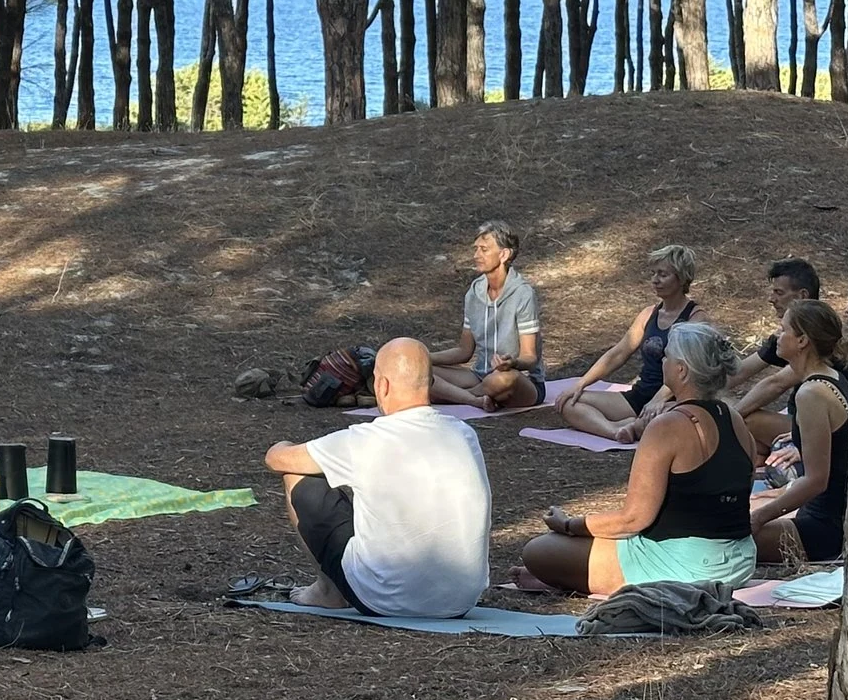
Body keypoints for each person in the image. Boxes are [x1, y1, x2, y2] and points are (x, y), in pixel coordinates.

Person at [519, 322, 761, 595]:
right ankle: (570, 575)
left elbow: (634, 520)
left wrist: (569, 525)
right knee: (567, 552)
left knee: (539, 550)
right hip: (740, 561)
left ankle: (570, 575)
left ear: (681, 370)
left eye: (667, 356)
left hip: (690, 565)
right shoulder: (736, 420)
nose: (662, 360)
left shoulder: (667, 426)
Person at [263, 338, 492, 617]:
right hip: (460, 601)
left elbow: (277, 460)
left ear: (381, 386)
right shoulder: (465, 434)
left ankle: (328, 592)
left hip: (381, 598)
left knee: (298, 477)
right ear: (431, 383)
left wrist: (281, 443)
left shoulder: (365, 440)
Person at [552, 246, 701, 443]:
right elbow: (619, 353)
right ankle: (615, 431)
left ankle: (635, 427)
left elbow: (692, 368)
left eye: (663, 274)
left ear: (681, 279)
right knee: (569, 402)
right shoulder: (649, 314)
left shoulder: (696, 318)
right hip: (640, 396)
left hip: (673, 400)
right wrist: (580, 384)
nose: (655, 280)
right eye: (653, 273)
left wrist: (659, 399)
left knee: (664, 422)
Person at [749, 300, 848, 568]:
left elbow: (817, 480)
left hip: (822, 529)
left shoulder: (812, 394)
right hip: (825, 514)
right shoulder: (829, 377)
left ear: (802, 341)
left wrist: (760, 518)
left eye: (783, 330)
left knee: (721, 537)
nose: (777, 336)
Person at [430, 220, 543, 411]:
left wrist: (513, 363)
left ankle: (457, 396)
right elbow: (464, 352)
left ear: (504, 254)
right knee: (422, 372)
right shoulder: (474, 293)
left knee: (501, 380)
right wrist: (425, 357)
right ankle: (472, 397)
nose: (476, 256)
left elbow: (530, 357)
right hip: (480, 376)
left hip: (518, 379)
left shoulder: (523, 294)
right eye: (476, 249)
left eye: (484, 249)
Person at [730, 258, 823, 450]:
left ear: (802, 296)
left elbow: (776, 384)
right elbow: (739, 372)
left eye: (779, 293)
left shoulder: (816, 334)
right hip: (795, 416)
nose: (771, 299)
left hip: (821, 429)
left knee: (746, 423)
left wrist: (730, 418)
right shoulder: (786, 336)